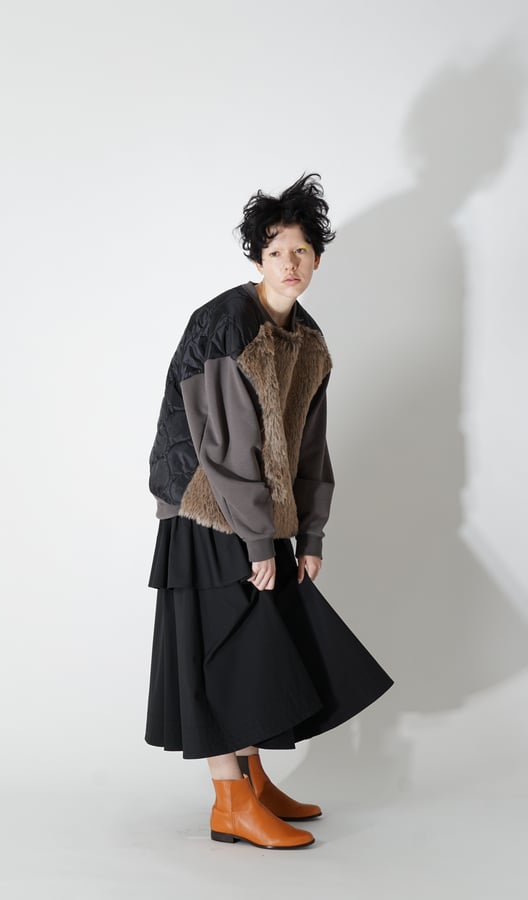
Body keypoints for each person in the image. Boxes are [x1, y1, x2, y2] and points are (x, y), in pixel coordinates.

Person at [145, 173, 394, 850]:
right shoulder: (228, 323)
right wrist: (261, 542)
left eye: (301, 251)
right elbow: (225, 450)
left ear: (317, 260)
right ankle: (229, 801)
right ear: (258, 256)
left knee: (263, 645)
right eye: (277, 250)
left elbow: (310, 444)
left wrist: (310, 532)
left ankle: (252, 783)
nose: (290, 263)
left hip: (256, 509)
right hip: (202, 504)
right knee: (219, 649)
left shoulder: (308, 339)